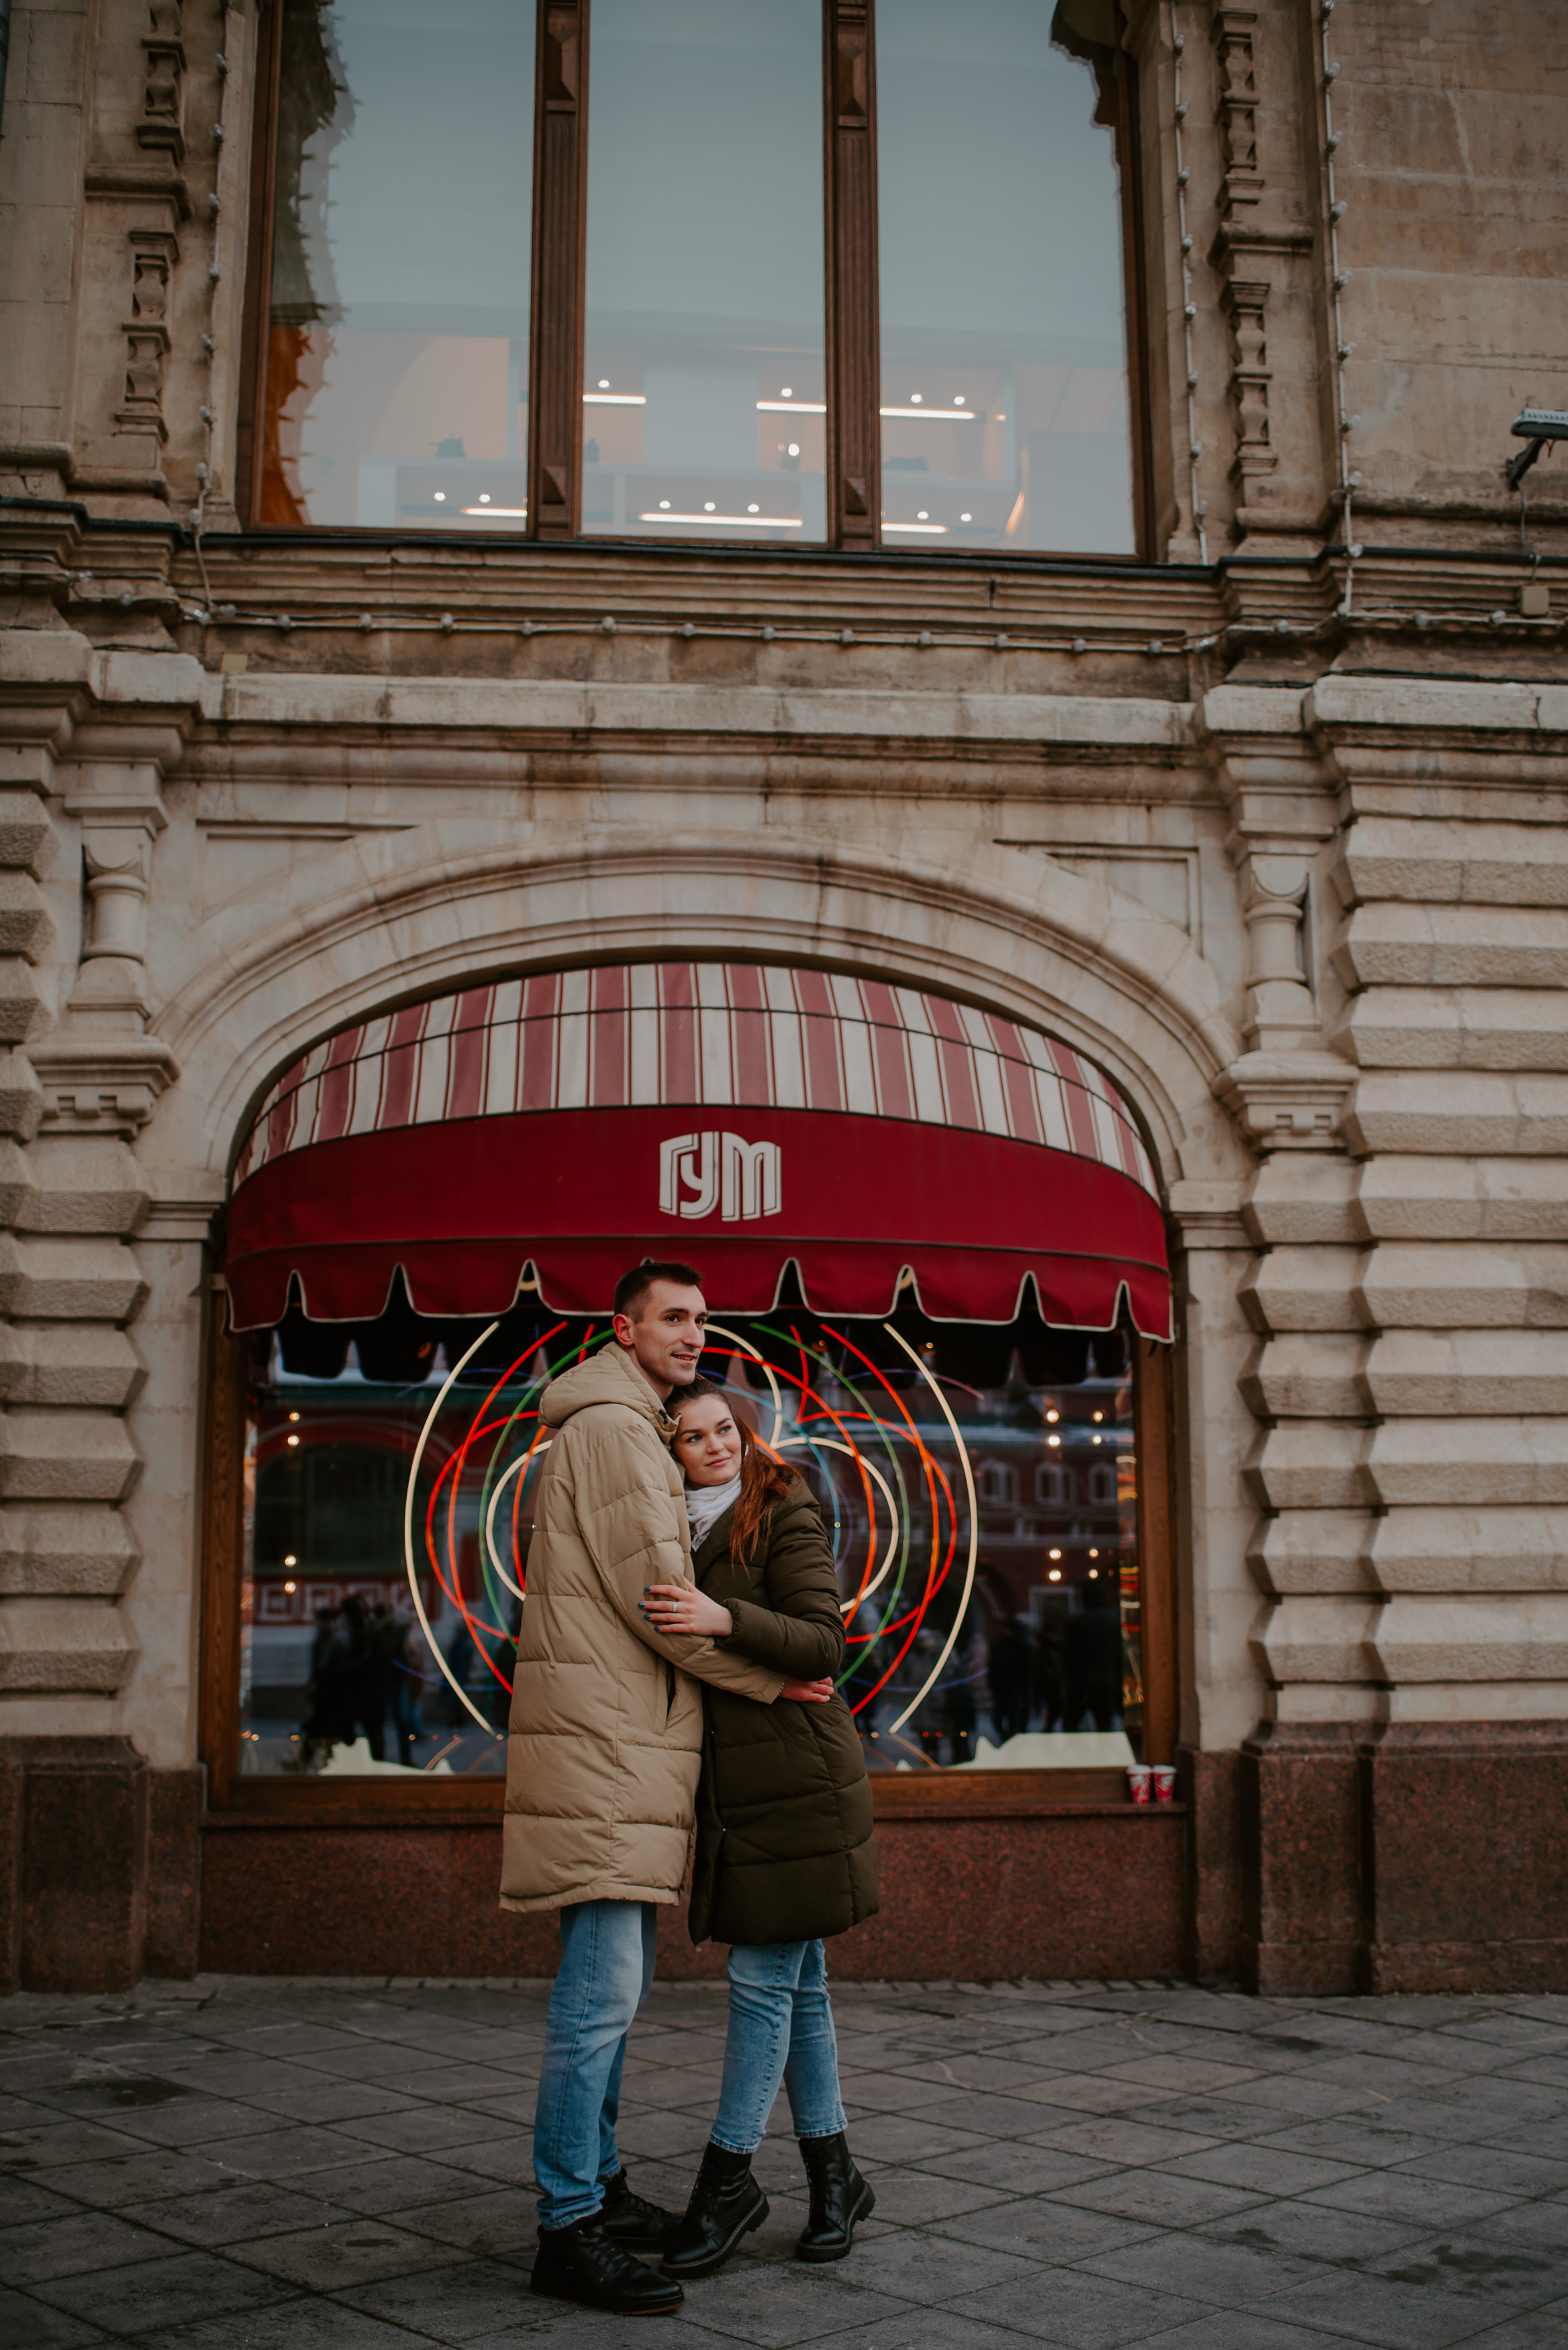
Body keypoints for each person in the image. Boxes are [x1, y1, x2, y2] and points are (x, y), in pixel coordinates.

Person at [501, 1262, 826, 2319]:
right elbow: (667, 1608)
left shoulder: (625, 1423)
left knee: (609, 1993)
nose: (695, 1335)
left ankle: (596, 2190)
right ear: (623, 1329)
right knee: (598, 2003)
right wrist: (776, 1678)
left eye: (701, 1319)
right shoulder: (613, 1431)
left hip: (616, 1742)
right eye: (673, 1319)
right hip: (607, 1746)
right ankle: (567, 2227)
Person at [642, 1377, 878, 2281]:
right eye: (692, 1436)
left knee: (759, 1978)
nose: (713, 1447)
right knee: (800, 1988)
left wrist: (722, 1615)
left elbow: (824, 1642)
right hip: (739, 1787)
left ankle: (728, 2180)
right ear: (671, 1451)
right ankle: (836, 2180)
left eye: (724, 1430)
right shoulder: (674, 1524)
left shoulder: (783, 1506)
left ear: (748, 1432)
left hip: (799, 1779)